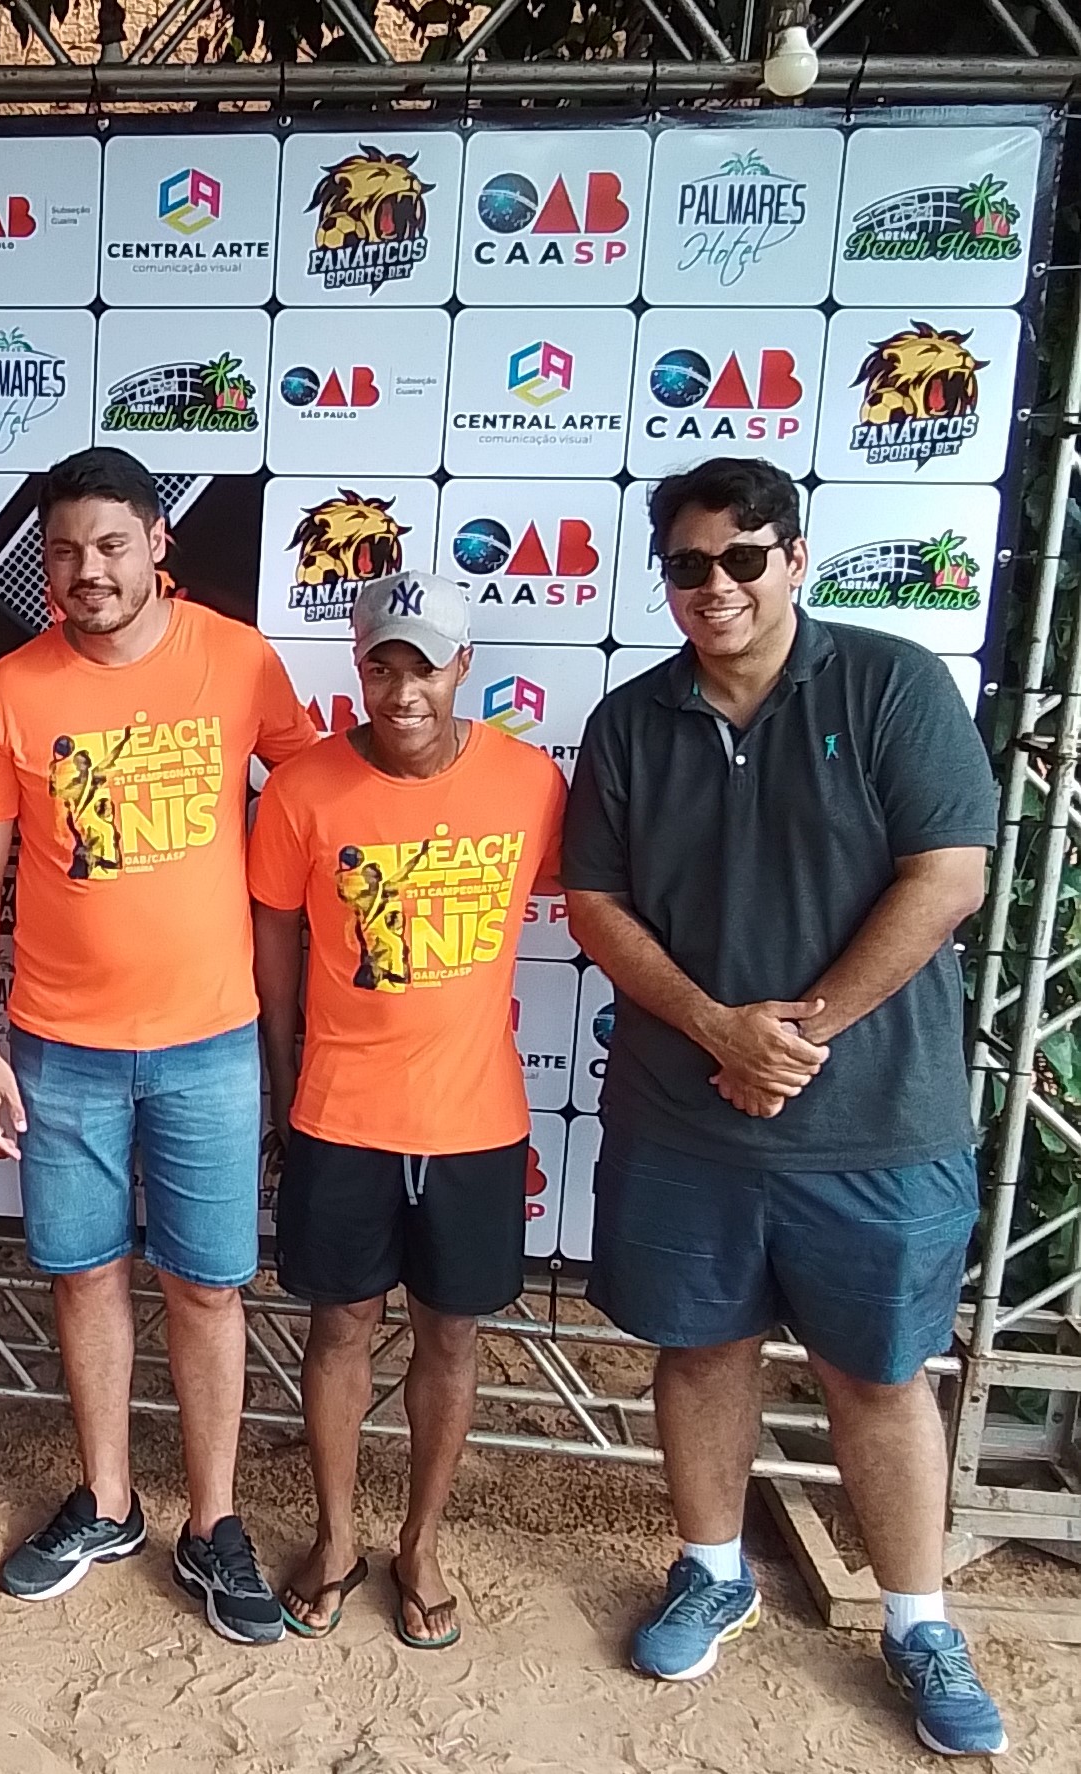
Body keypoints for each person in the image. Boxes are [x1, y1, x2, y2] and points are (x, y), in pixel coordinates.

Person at [563, 457, 1006, 1757]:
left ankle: (917, 1622)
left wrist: (795, 1033)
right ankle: (711, 1569)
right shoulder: (630, 720)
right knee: (699, 1351)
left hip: (871, 1120)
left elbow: (947, 877)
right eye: (688, 566)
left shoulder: (889, 683)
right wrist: (713, 1027)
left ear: (795, 558)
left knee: (876, 1374)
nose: (715, 588)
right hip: (685, 1114)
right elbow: (593, 901)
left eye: (742, 559)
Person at [0, 447, 319, 1645]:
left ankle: (214, 1525)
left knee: (209, 1287)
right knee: (83, 1273)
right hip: (60, 1046)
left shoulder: (238, 658)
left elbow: (320, 801)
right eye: (62, 550)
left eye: (110, 544)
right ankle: (108, 1498)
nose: (86, 570)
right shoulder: (11, 685)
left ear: (160, 542)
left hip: (212, 1041)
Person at [248, 571, 566, 1646]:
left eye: (423, 663)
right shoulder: (302, 791)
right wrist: (287, 1096)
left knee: (452, 1335)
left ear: (462, 668)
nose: (402, 686)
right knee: (339, 1328)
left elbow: (611, 901)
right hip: (342, 1114)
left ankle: (420, 1542)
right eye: (382, 663)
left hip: (477, 1119)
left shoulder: (530, 783)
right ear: (361, 667)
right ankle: (336, 1537)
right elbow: (277, 957)